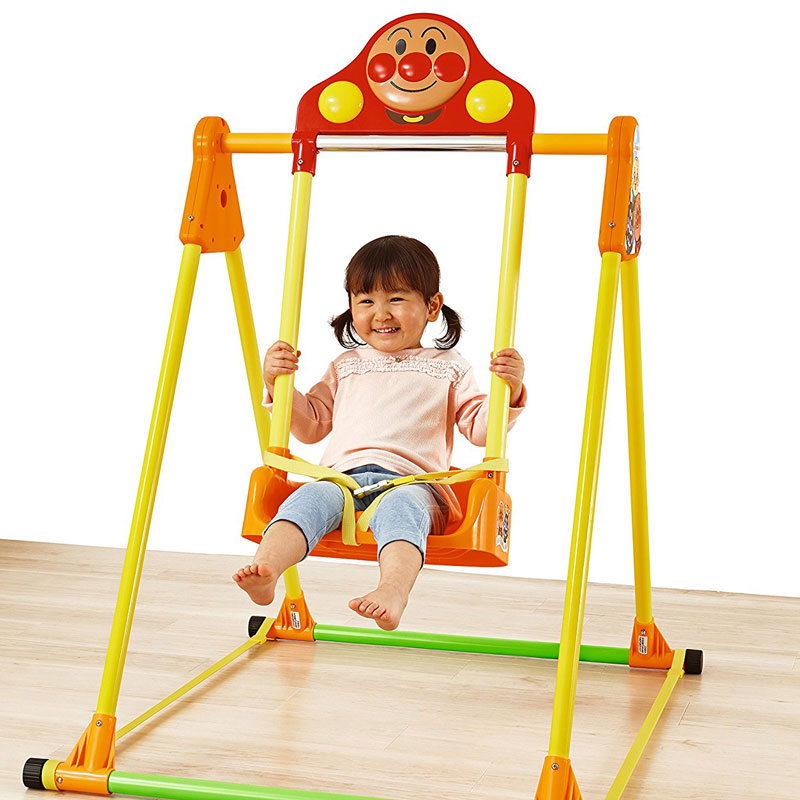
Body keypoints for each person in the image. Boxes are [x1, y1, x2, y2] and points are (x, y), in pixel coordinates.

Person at [233, 235, 526, 630]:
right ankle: (267, 569)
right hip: (341, 480)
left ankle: (393, 589)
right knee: (306, 500)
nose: (381, 313)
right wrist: (278, 386)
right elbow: (312, 424)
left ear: (432, 306)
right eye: (366, 301)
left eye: (397, 299)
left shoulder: (449, 367)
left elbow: (480, 429)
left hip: (414, 484)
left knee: (401, 510)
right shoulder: (346, 365)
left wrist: (508, 390)